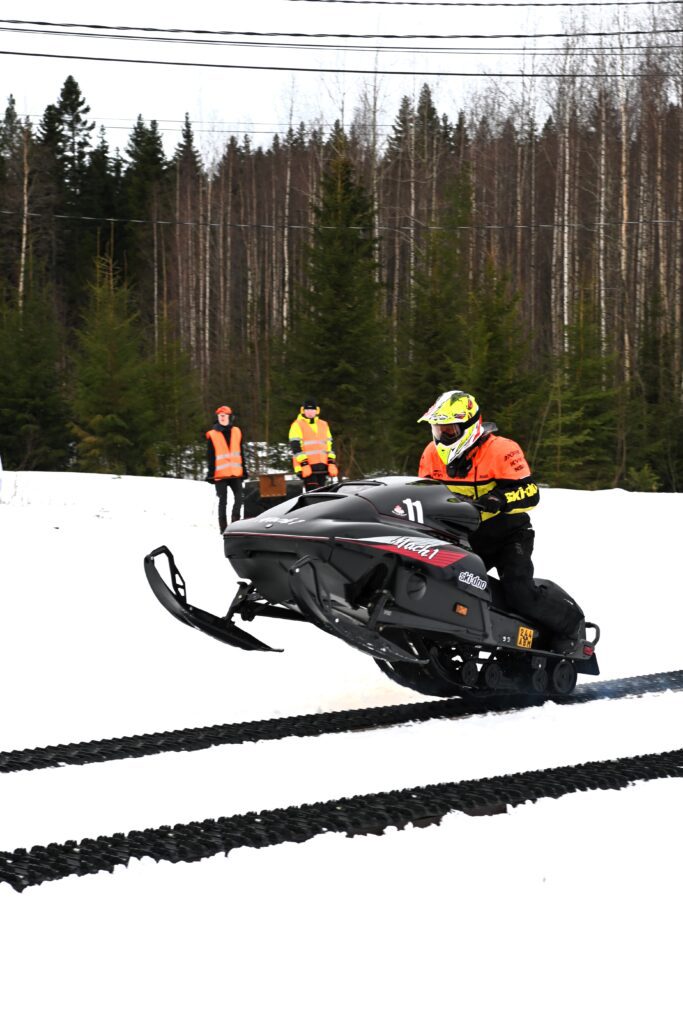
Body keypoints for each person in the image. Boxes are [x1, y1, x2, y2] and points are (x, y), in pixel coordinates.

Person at [418, 389, 582, 650]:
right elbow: (424, 492)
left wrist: (500, 499)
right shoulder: (430, 453)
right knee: (443, 581)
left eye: (449, 430)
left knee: (518, 593)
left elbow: (531, 492)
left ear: (469, 427)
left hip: (507, 533)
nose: (442, 436)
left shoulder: (502, 450)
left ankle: (571, 627)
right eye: (438, 429)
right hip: (462, 535)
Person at [206, 405, 248, 533]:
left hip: (236, 473)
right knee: (223, 501)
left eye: (224, 416)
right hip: (220, 474)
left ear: (230, 417)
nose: (222, 418)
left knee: (239, 498)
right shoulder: (212, 434)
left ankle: (235, 525)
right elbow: (211, 456)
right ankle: (223, 528)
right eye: (220, 416)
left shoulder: (237, 431)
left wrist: (244, 470)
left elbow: (241, 452)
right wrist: (210, 473)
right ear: (217, 418)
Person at [288, 398, 339, 492]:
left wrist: (331, 462)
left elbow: (329, 445)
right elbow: (295, 447)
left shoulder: (324, 424)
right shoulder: (297, 425)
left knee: (322, 494)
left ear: (317, 410)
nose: (310, 412)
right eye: (307, 410)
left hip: (322, 467)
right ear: (303, 410)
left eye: (312, 410)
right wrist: (304, 463)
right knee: (314, 495)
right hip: (307, 467)